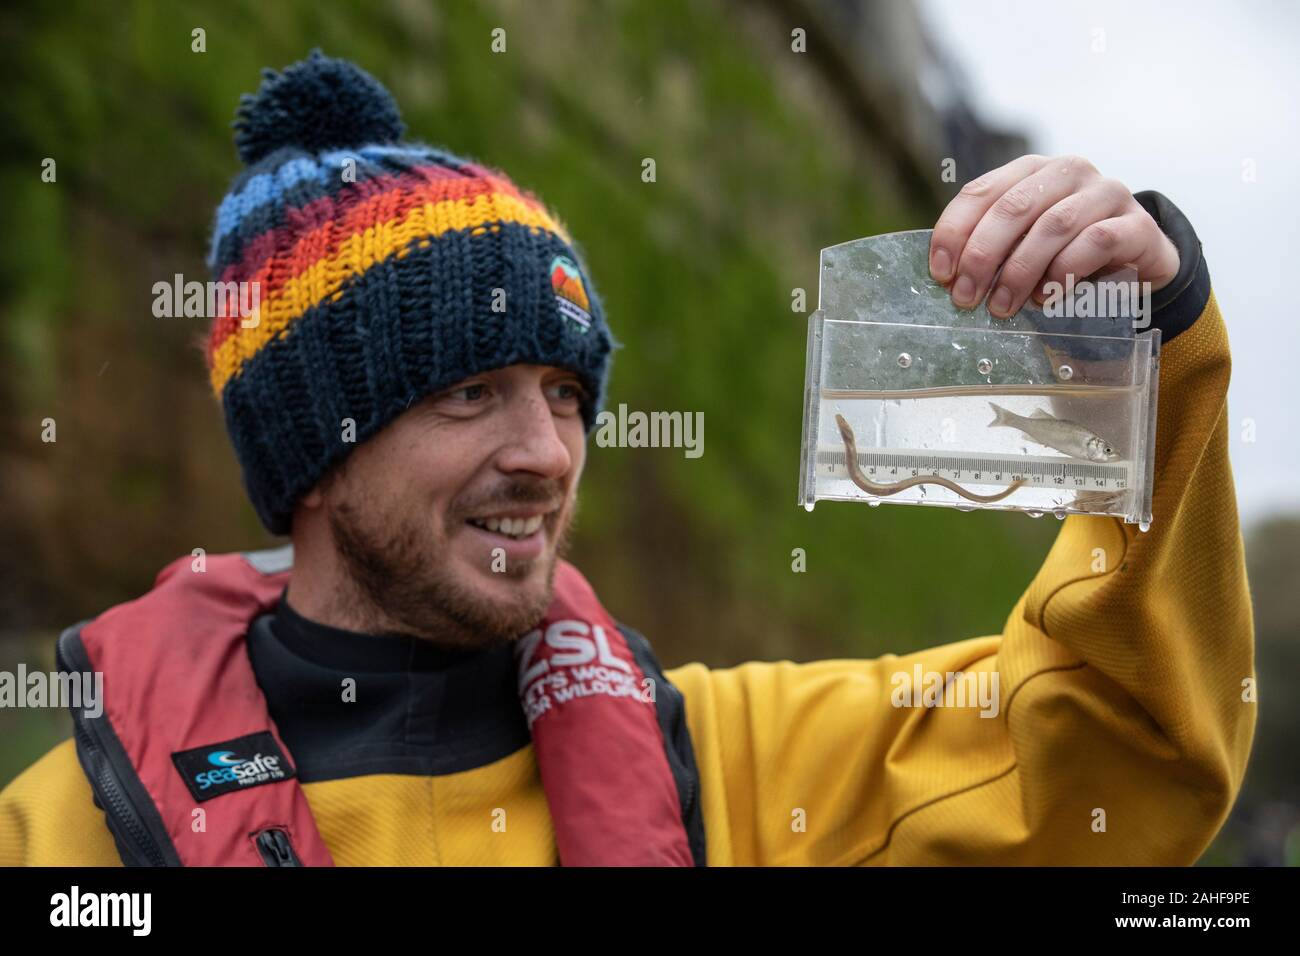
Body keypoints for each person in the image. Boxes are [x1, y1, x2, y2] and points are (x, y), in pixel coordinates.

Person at [0, 52, 1252, 866]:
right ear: (311, 458)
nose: (546, 453)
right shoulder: (62, 839)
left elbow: (1115, 746)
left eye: (564, 391)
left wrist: (1146, 351)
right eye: (472, 393)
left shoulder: (736, 766)